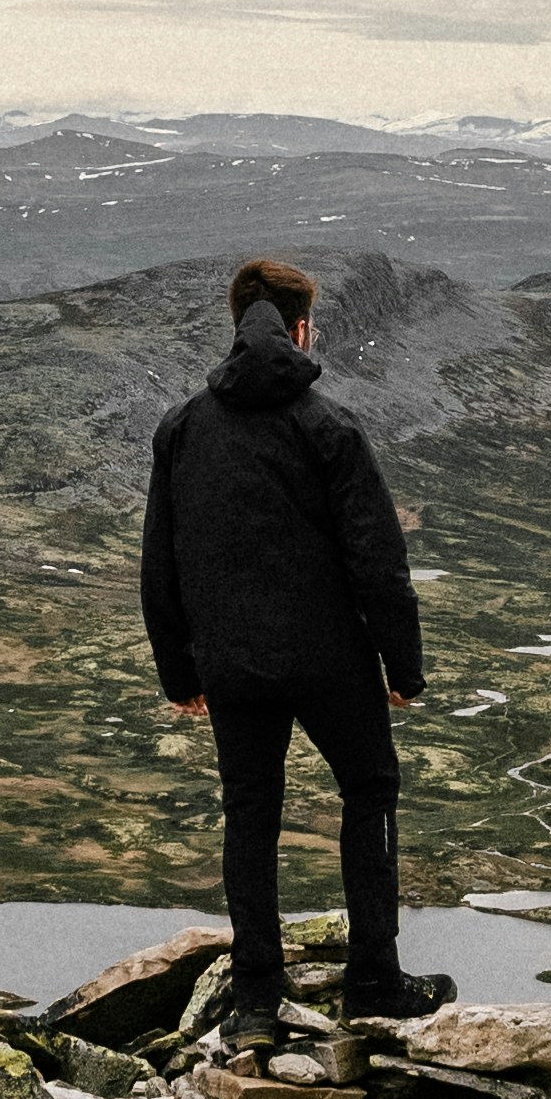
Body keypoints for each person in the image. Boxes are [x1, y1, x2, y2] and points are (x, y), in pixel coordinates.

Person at [141, 255, 451, 1042]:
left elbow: (161, 563)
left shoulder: (181, 428)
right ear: (301, 327)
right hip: (328, 661)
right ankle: (374, 980)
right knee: (370, 787)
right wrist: (402, 667)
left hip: (230, 663)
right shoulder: (328, 426)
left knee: (250, 813)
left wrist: (181, 672)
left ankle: (254, 1003)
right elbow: (377, 561)